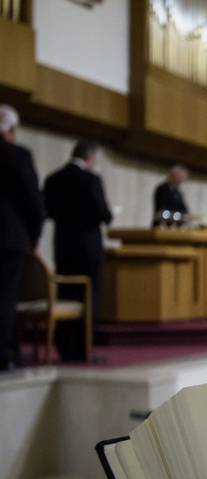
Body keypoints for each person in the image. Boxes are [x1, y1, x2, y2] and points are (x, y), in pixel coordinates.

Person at [44, 139, 113, 362]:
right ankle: (84, 349)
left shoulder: (53, 178)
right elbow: (104, 214)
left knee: (67, 293)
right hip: (88, 248)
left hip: (63, 246)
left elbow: (47, 211)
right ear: (90, 157)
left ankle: (65, 347)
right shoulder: (91, 179)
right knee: (90, 296)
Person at [0, 105, 45, 371]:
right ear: (12, 129)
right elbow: (33, 202)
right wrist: (34, 236)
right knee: (6, 296)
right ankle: (4, 354)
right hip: (9, 237)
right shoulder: (18, 155)